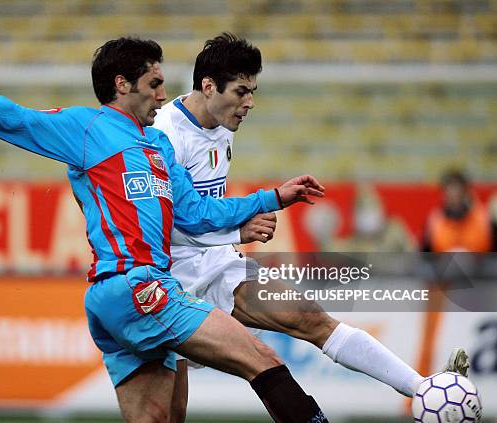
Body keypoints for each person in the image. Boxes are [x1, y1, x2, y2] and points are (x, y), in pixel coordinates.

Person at [0, 38, 331, 423]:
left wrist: (272, 198)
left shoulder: (158, 144)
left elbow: (197, 214)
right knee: (261, 359)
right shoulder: (88, 129)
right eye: (154, 84)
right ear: (123, 85)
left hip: (122, 298)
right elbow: (16, 119)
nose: (165, 95)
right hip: (139, 288)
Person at [152, 33, 470, 421]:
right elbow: (178, 217)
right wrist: (244, 225)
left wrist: (230, 237)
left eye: (253, 91)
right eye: (241, 91)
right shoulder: (164, 133)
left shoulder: (222, 124)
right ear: (207, 86)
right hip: (168, 278)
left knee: (308, 317)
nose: (249, 102)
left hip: (216, 264)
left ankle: (423, 387)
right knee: (170, 413)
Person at [423, 168, 496, 252]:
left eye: (458, 190)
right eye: (450, 190)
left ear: (467, 192)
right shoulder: (434, 222)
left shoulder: (484, 220)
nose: (454, 194)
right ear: (443, 194)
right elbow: (426, 257)